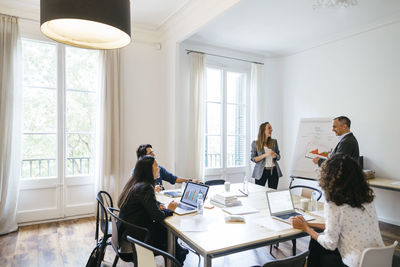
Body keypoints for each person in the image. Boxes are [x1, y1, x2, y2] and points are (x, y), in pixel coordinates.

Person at [291, 154, 384, 267]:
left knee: (316, 243)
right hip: (380, 260)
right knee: (319, 240)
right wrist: (308, 223)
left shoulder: (334, 204)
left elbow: (330, 244)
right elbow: (341, 225)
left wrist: (307, 229)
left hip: (356, 263)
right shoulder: (367, 199)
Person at [118, 156, 188, 264]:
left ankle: (178, 252)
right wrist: (170, 209)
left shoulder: (134, 183)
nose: (159, 168)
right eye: (156, 166)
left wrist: (156, 206)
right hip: (135, 243)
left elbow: (143, 207)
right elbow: (158, 216)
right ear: (149, 170)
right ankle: (177, 255)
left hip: (127, 236)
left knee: (166, 233)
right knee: (167, 233)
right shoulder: (145, 187)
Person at [250, 122, 282, 189]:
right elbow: (253, 159)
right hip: (261, 172)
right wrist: (265, 155)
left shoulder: (274, 142)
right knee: (259, 193)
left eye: (271, 128)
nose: (271, 129)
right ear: (263, 130)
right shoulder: (255, 143)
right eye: (269, 128)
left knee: (273, 193)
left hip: (273, 171)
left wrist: (275, 155)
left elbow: (278, 157)